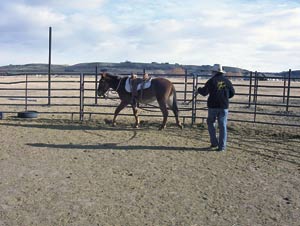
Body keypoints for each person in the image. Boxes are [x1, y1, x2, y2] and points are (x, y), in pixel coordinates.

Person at [197, 64, 235, 152]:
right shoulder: (227, 81)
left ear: (214, 72)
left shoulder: (211, 81)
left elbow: (204, 92)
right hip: (224, 106)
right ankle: (222, 146)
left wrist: (198, 89)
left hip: (212, 106)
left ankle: (214, 142)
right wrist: (225, 97)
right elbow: (232, 93)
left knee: (211, 123)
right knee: (222, 125)